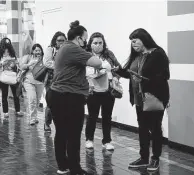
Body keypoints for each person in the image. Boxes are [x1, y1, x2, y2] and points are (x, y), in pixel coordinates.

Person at [46, 20, 102, 175]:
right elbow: (97, 62)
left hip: (58, 95)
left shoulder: (64, 47)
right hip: (68, 97)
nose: (86, 42)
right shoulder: (73, 49)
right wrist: (91, 51)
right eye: (86, 39)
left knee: (62, 132)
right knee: (74, 133)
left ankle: (63, 166)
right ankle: (75, 168)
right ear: (79, 38)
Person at [114, 28, 170, 171]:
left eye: (135, 41)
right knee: (143, 129)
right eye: (131, 42)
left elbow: (165, 76)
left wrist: (145, 80)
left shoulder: (158, 53)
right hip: (139, 99)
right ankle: (143, 157)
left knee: (155, 128)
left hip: (154, 98)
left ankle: (155, 159)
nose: (133, 44)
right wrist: (118, 70)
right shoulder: (136, 56)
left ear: (144, 39)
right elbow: (129, 73)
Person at [85, 32, 121, 151]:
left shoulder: (109, 54)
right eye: (95, 43)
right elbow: (82, 72)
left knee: (107, 116)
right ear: (90, 44)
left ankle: (107, 141)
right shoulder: (86, 55)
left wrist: (115, 76)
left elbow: (118, 67)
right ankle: (89, 139)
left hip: (108, 90)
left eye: (100, 43)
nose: (98, 45)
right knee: (92, 117)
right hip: (93, 90)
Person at [43, 31, 67, 132]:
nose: (61, 42)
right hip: (51, 80)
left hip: (64, 80)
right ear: (55, 41)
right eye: (59, 40)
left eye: (63, 40)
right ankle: (47, 123)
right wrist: (61, 66)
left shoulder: (67, 50)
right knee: (51, 102)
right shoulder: (51, 49)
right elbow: (47, 62)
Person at [0, 38, 22, 118]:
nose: (7, 47)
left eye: (8, 44)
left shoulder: (13, 53)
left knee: (16, 94)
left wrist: (16, 66)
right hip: (3, 76)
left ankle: (18, 110)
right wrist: (1, 63)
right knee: (4, 95)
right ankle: (5, 112)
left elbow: (18, 64)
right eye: (5, 45)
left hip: (13, 75)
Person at [20, 43, 45, 125]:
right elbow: (22, 66)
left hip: (40, 82)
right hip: (28, 81)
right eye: (36, 50)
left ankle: (35, 116)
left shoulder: (44, 59)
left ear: (41, 51)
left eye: (39, 50)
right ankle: (32, 118)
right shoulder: (28, 57)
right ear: (33, 51)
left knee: (37, 100)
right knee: (32, 99)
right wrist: (29, 65)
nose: (37, 52)